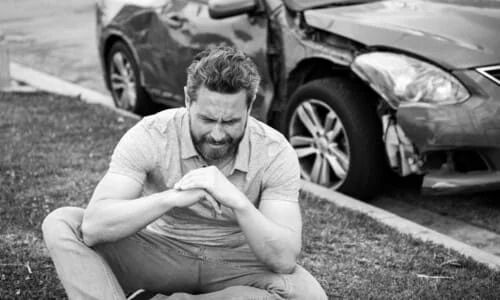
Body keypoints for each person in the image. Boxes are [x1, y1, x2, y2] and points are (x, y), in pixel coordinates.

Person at [42, 46, 327, 300]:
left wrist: (238, 202)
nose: (217, 134)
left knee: (308, 295)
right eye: (206, 119)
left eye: (230, 121)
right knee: (63, 223)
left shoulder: (275, 150)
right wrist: (171, 199)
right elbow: (93, 228)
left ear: (250, 108)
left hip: (235, 262)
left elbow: (284, 259)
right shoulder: (151, 134)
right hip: (159, 253)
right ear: (187, 102)